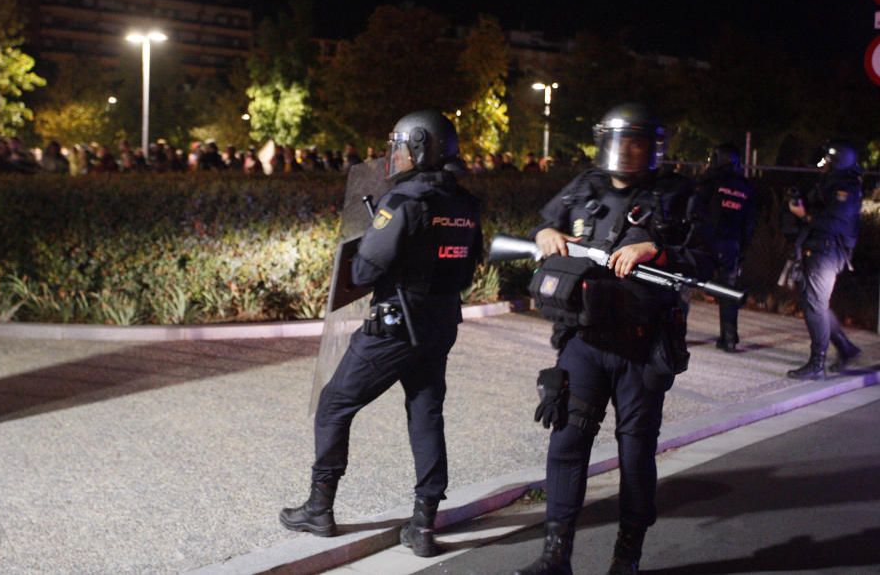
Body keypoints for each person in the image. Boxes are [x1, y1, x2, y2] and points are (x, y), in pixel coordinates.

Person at [515, 103, 713, 575]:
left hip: (644, 347)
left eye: (638, 142)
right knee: (566, 441)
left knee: (635, 450)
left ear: (654, 147)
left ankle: (627, 555)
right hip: (583, 339)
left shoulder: (677, 194)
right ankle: (555, 555)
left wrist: (658, 250)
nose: (627, 151)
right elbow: (541, 223)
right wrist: (545, 233)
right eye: (620, 141)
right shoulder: (586, 186)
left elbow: (708, 260)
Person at [280, 109, 483, 557]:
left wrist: (377, 238)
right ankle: (425, 522)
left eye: (402, 147)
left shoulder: (403, 202)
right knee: (426, 413)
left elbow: (367, 268)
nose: (396, 155)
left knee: (334, 405)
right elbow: (468, 266)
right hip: (440, 323)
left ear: (421, 148)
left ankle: (319, 507)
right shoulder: (465, 204)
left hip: (393, 327)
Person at [786, 140, 863, 379]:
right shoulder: (833, 182)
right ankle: (845, 348)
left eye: (830, 160)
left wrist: (805, 215)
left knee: (815, 306)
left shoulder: (845, 188)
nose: (825, 164)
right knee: (816, 303)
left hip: (827, 250)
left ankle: (817, 363)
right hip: (819, 246)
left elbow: (833, 221)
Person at [693, 143, 755, 352]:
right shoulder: (745, 186)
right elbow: (750, 221)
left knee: (684, 285)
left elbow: (696, 210)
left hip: (706, 242)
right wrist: (743, 248)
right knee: (728, 290)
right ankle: (729, 338)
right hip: (732, 244)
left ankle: (676, 336)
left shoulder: (710, 181)